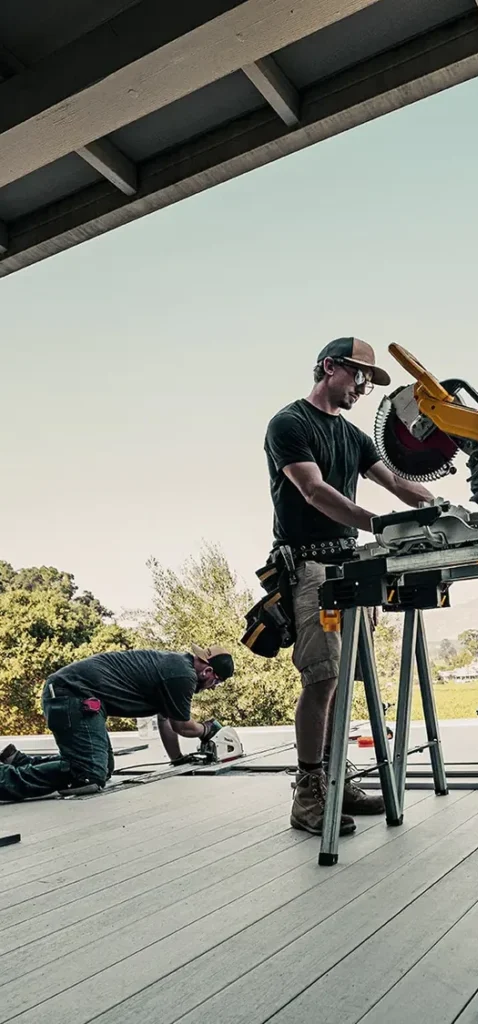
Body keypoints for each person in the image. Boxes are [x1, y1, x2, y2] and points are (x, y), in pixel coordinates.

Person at [264, 337, 434, 836]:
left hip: (351, 566)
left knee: (345, 681)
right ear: (328, 367)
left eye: (369, 381)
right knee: (321, 678)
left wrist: (435, 507)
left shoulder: (354, 437)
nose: (363, 388)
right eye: (359, 376)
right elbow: (313, 490)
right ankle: (309, 794)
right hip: (312, 567)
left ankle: (336, 776)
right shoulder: (289, 423)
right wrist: (378, 524)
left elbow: (396, 483)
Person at [0, 644, 233, 801]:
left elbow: (166, 719)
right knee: (89, 775)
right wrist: (208, 729)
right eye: (217, 682)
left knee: (103, 769)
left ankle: (20, 762)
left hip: (78, 696)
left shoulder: (177, 667)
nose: (213, 688)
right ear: (208, 672)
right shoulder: (183, 675)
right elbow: (182, 726)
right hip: (71, 694)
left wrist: (178, 759)